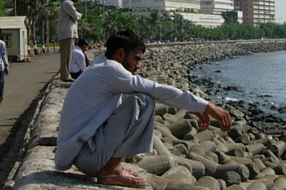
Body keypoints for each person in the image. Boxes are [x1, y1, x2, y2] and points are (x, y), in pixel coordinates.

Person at [54, 29, 232, 188]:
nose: (138, 66)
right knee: (144, 101)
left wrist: (194, 107)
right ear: (121, 54)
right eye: (136, 59)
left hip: (83, 153)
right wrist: (207, 106)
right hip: (87, 157)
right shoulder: (111, 70)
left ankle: (111, 166)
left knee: (136, 98)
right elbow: (156, 89)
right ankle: (109, 170)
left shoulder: (100, 65)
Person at [57, 0, 82, 82]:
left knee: (69, 55)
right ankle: (65, 75)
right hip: (67, 33)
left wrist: (76, 15)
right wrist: (79, 15)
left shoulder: (68, 4)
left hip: (69, 33)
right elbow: (76, 16)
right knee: (66, 55)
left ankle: (67, 74)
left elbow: (74, 16)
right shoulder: (67, 3)